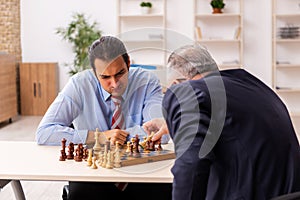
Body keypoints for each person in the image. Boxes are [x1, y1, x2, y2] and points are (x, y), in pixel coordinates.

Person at [143, 43, 300, 200]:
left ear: (176, 85)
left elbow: (191, 165)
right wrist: (173, 124)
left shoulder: (187, 92)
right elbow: (233, 129)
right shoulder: (251, 84)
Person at [36, 36, 171, 200]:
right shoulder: (79, 84)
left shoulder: (147, 81)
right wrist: (98, 136)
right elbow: (44, 132)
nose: (114, 84)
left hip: (139, 169)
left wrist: (119, 136)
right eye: (105, 77)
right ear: (94, 73)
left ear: (128, 63)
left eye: (120, 73)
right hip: (94, 171)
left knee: (167, 190)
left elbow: (160, 134)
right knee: (82, 194)